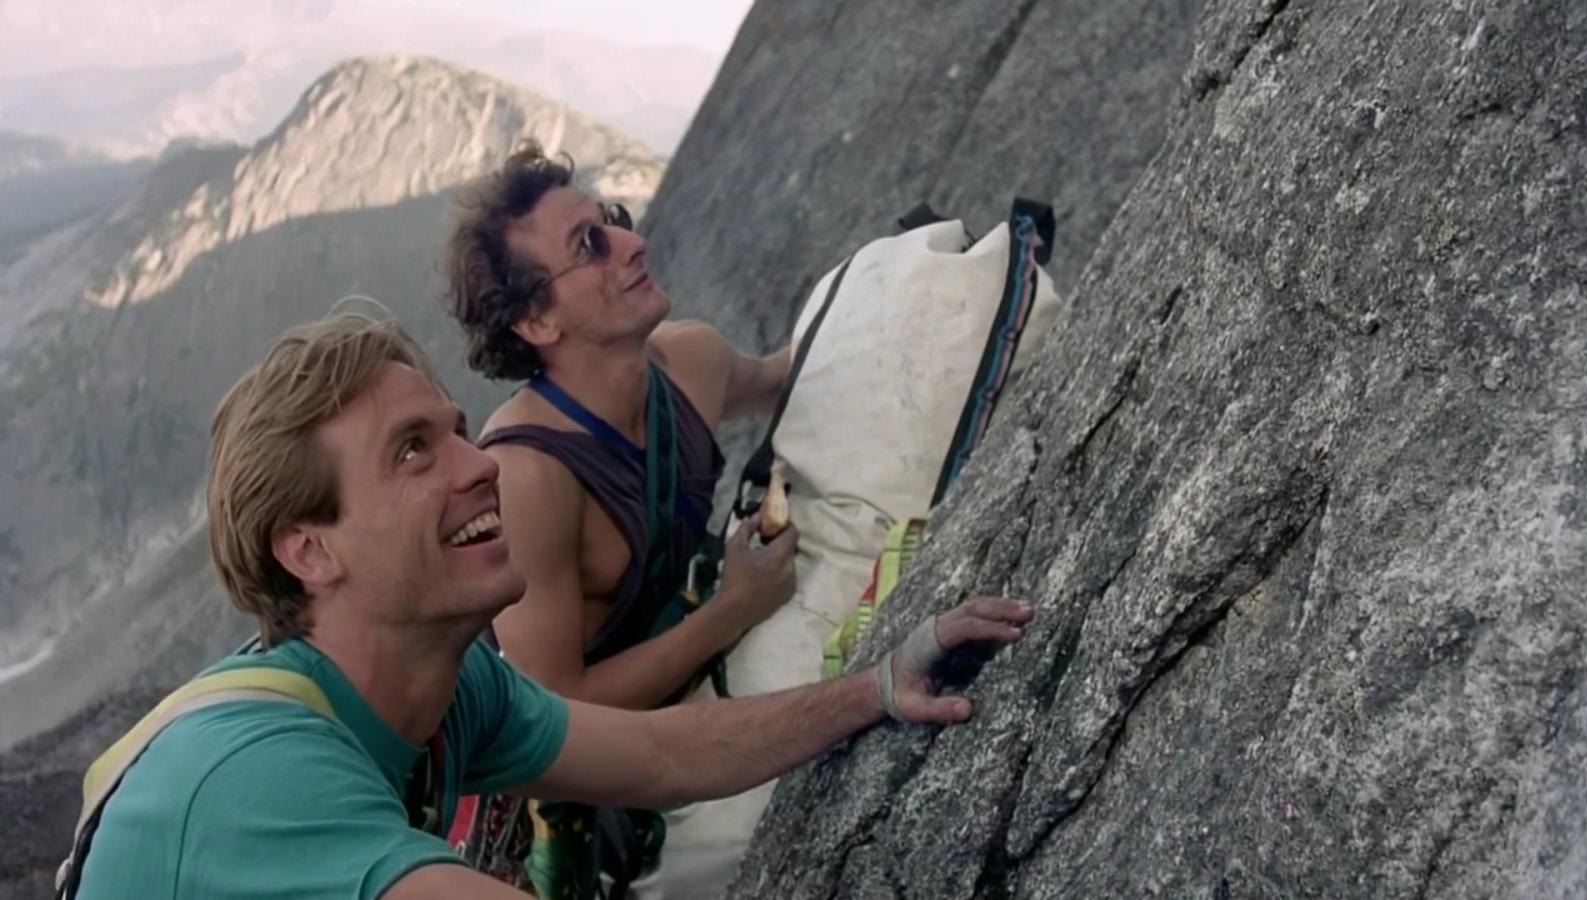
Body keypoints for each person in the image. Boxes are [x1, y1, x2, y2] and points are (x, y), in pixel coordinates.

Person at [68, 312, 1033, 899]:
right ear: (310, 551)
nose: (478, 465)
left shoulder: (448, 689)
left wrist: (877, 689)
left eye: (455, 430)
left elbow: (660, 753)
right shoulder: (256, 780)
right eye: (413, 451)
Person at [444, 145, 801, 893]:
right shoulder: (529, 476)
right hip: (592, 801)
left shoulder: (693, 361)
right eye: (589, 245)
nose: (631, 244)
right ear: (537, 319)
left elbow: (783, 375)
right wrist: (733, 609)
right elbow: (553, 714)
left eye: (612, 219)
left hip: (692, 692)